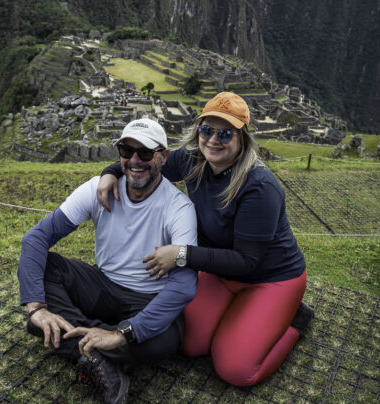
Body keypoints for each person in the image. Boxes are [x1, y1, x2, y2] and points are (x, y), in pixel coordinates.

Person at [98, 92, 314, 387]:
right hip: (220, 272)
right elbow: (148, 164)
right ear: (197, 131)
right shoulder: (190, 160)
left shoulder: (260, 187)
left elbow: (247, 261)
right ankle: (242, 319)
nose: (213, 139)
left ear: (242, 139)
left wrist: (181, 254)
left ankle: (294, 321)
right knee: (189, 343)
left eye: (225, 133)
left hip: (269, 277)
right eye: (206, 130)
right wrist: (109, 173)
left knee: (235, 369)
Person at [18, 118, 198, 404]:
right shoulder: (97, 189)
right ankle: (97, 348)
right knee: (48, 269)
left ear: (163, 157)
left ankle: (79, 340)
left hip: (147, 297)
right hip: (102, 285)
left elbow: (184, 286)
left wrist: (122, 334)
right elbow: (37, 238)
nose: (135, 160)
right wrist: (36, 307)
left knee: (166, 340)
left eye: (146, 153)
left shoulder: (179, 208)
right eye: (127, 151)